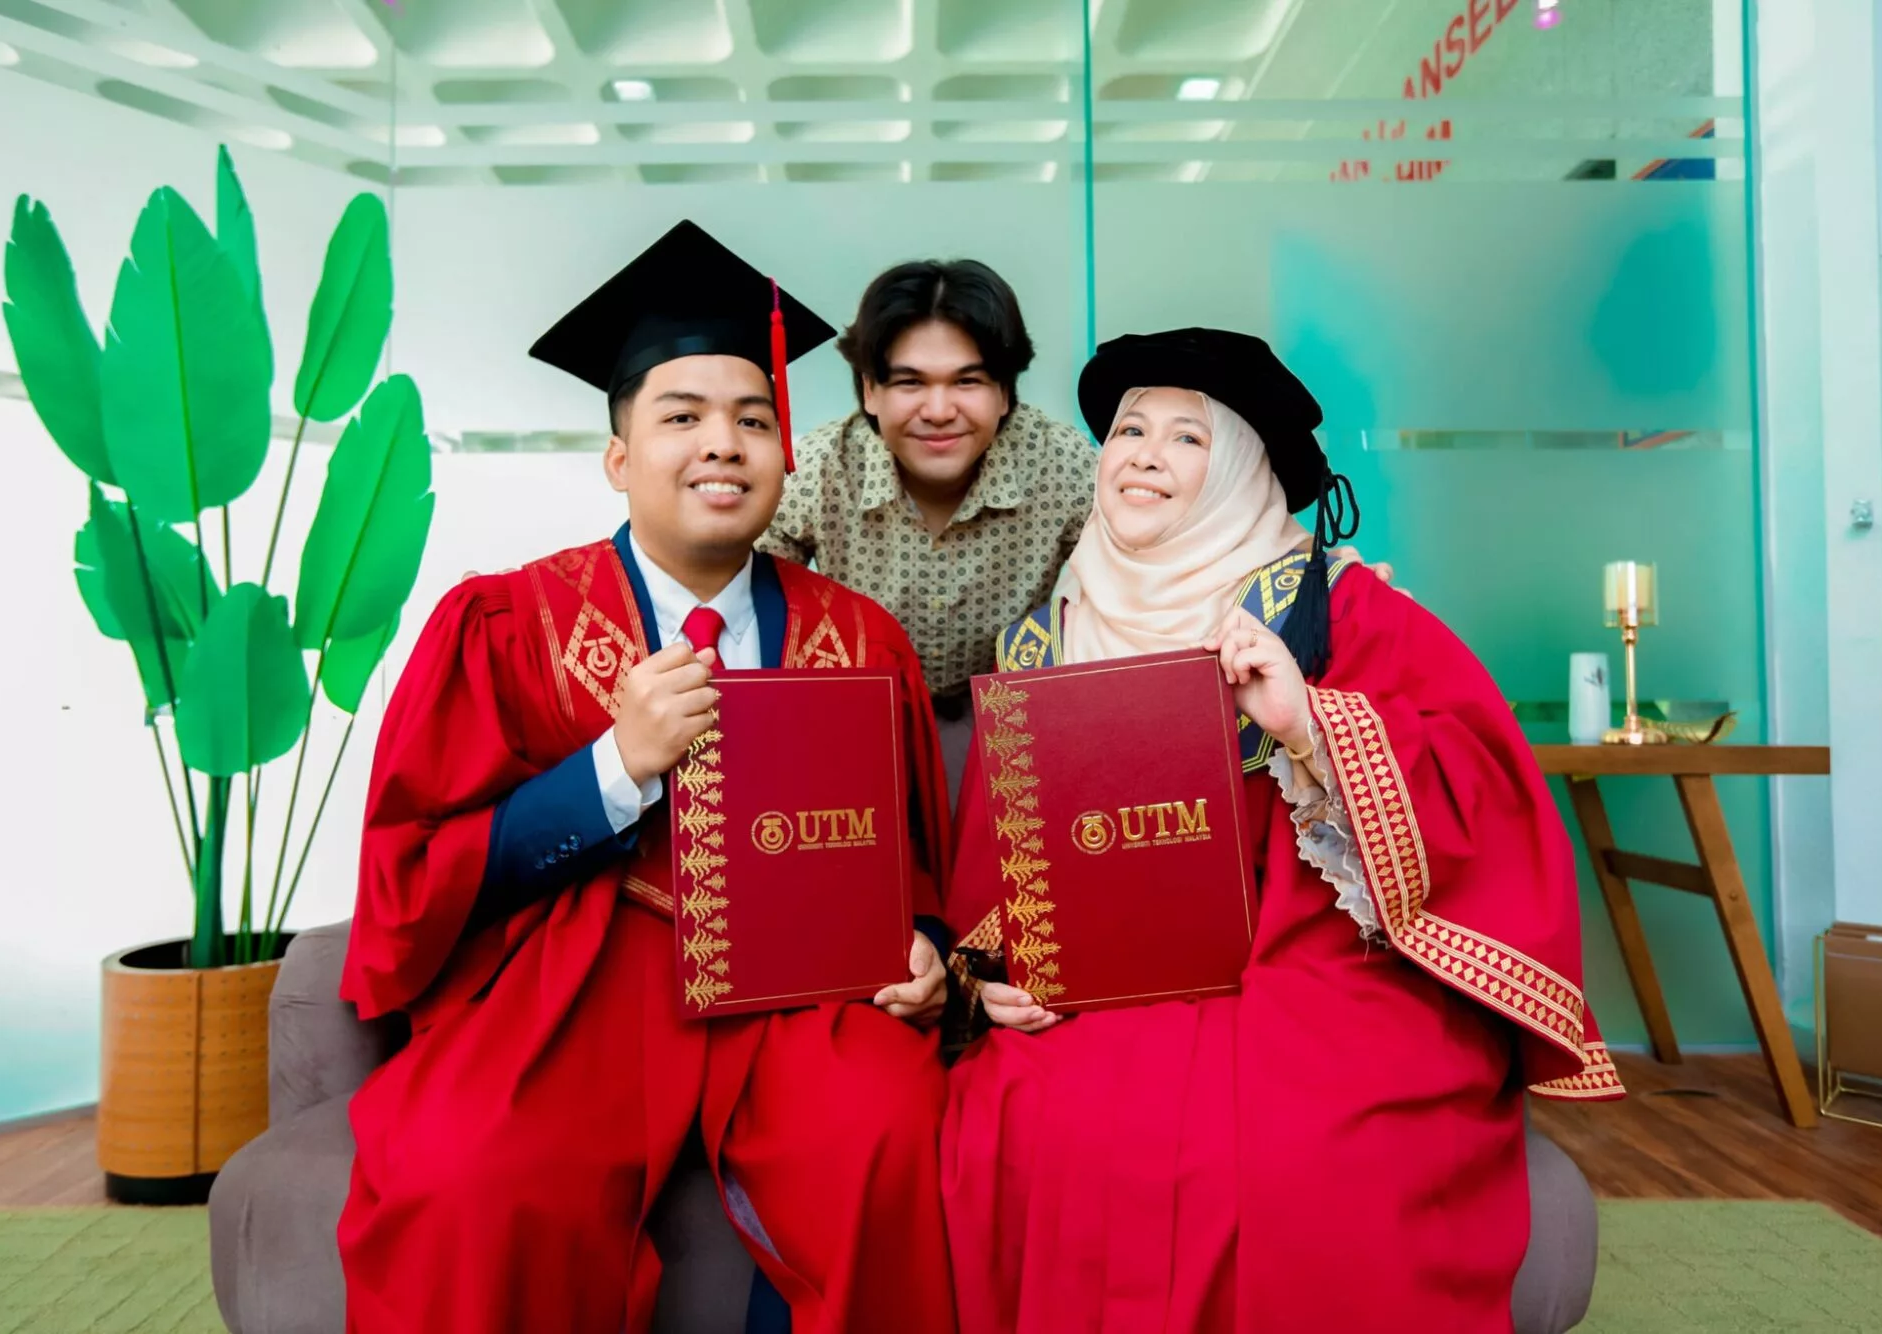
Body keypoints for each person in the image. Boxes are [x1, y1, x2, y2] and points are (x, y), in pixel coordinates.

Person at [336, 221, 958, 1334]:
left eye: (752, 419)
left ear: (786, 456)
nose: (721, 443)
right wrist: (612, 767)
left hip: (800, 989)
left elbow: (909, 863)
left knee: (892, 1132)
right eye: (681, 417)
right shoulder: (511, 622)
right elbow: (413, 868)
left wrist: (917, 943)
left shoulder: (858, 638)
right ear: (618, 455)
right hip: (579, 976)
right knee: (464, 1179)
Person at [940, 328, 1624, 1333]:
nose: (1142, 453)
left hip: (1317, 959)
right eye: (1128, 430)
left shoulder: (1338, 604)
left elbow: (1476, 779)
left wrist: (1308, 719)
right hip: (1108, 976)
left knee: (1293, 1140)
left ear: (1245, 474)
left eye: (1185, 438)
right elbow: (1004, 855)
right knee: (1034, 1110)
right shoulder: (1046, 630)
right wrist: (998, 961)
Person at [756, 259, 1097, 799]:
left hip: (1009, 727)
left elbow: (1134, 579)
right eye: (910, 382)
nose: (939, 411)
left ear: (1005, 392)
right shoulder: (818, 467)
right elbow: (745, 598)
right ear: (869, 390)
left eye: (968, 381)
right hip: (857, 725)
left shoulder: (1063, 463)